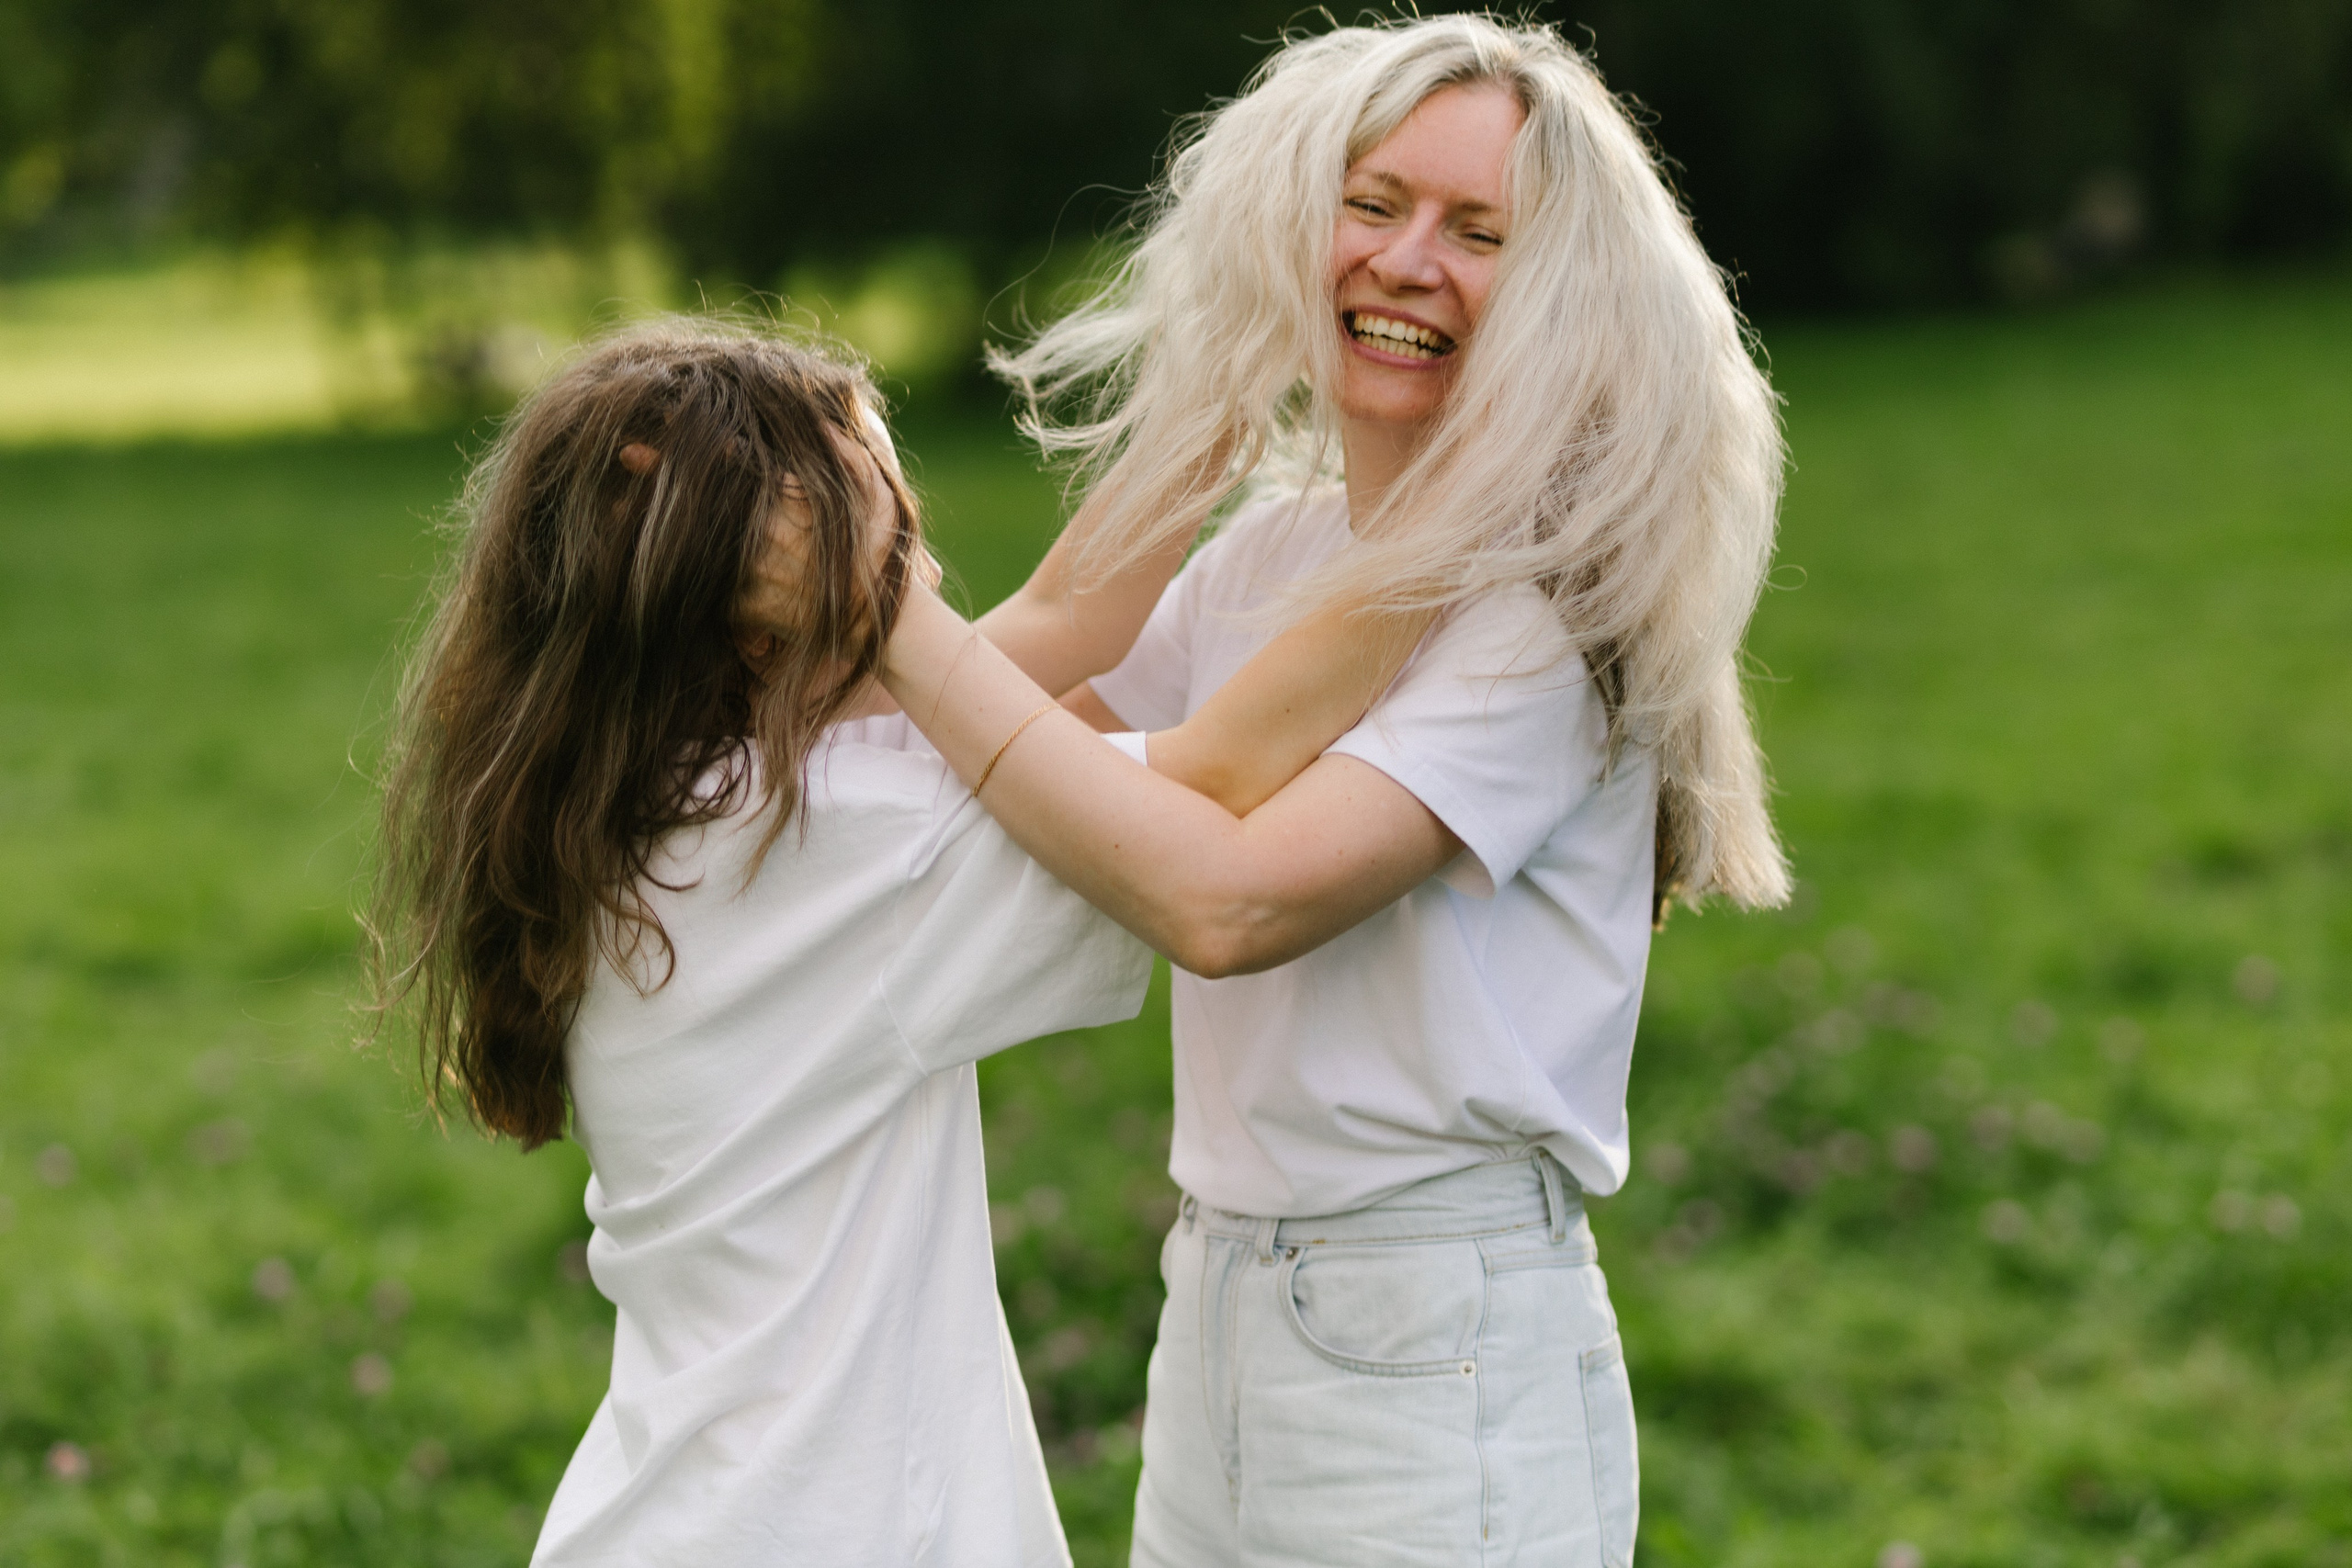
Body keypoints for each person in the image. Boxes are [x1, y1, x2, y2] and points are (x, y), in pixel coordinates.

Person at [752, 15, 1792, 1566]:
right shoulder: (1278, 555)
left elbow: (1226, 897)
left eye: (1480, 232)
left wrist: (886, 609)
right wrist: (1194, 426)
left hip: (1435, 1336)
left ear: (1565, 298)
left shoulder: (1552, 609)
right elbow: (999, 733)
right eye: (1370, 207)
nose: (1407, 261)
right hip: (1223, 1301)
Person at [365, 321, 1436, 1567]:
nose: (927, 595)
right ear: (771, 630)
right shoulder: (836, 844)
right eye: (892, 557)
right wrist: (1493, 515)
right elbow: (1216, 775)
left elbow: (1058, 621)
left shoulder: (642, 811)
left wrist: (1234, 368)